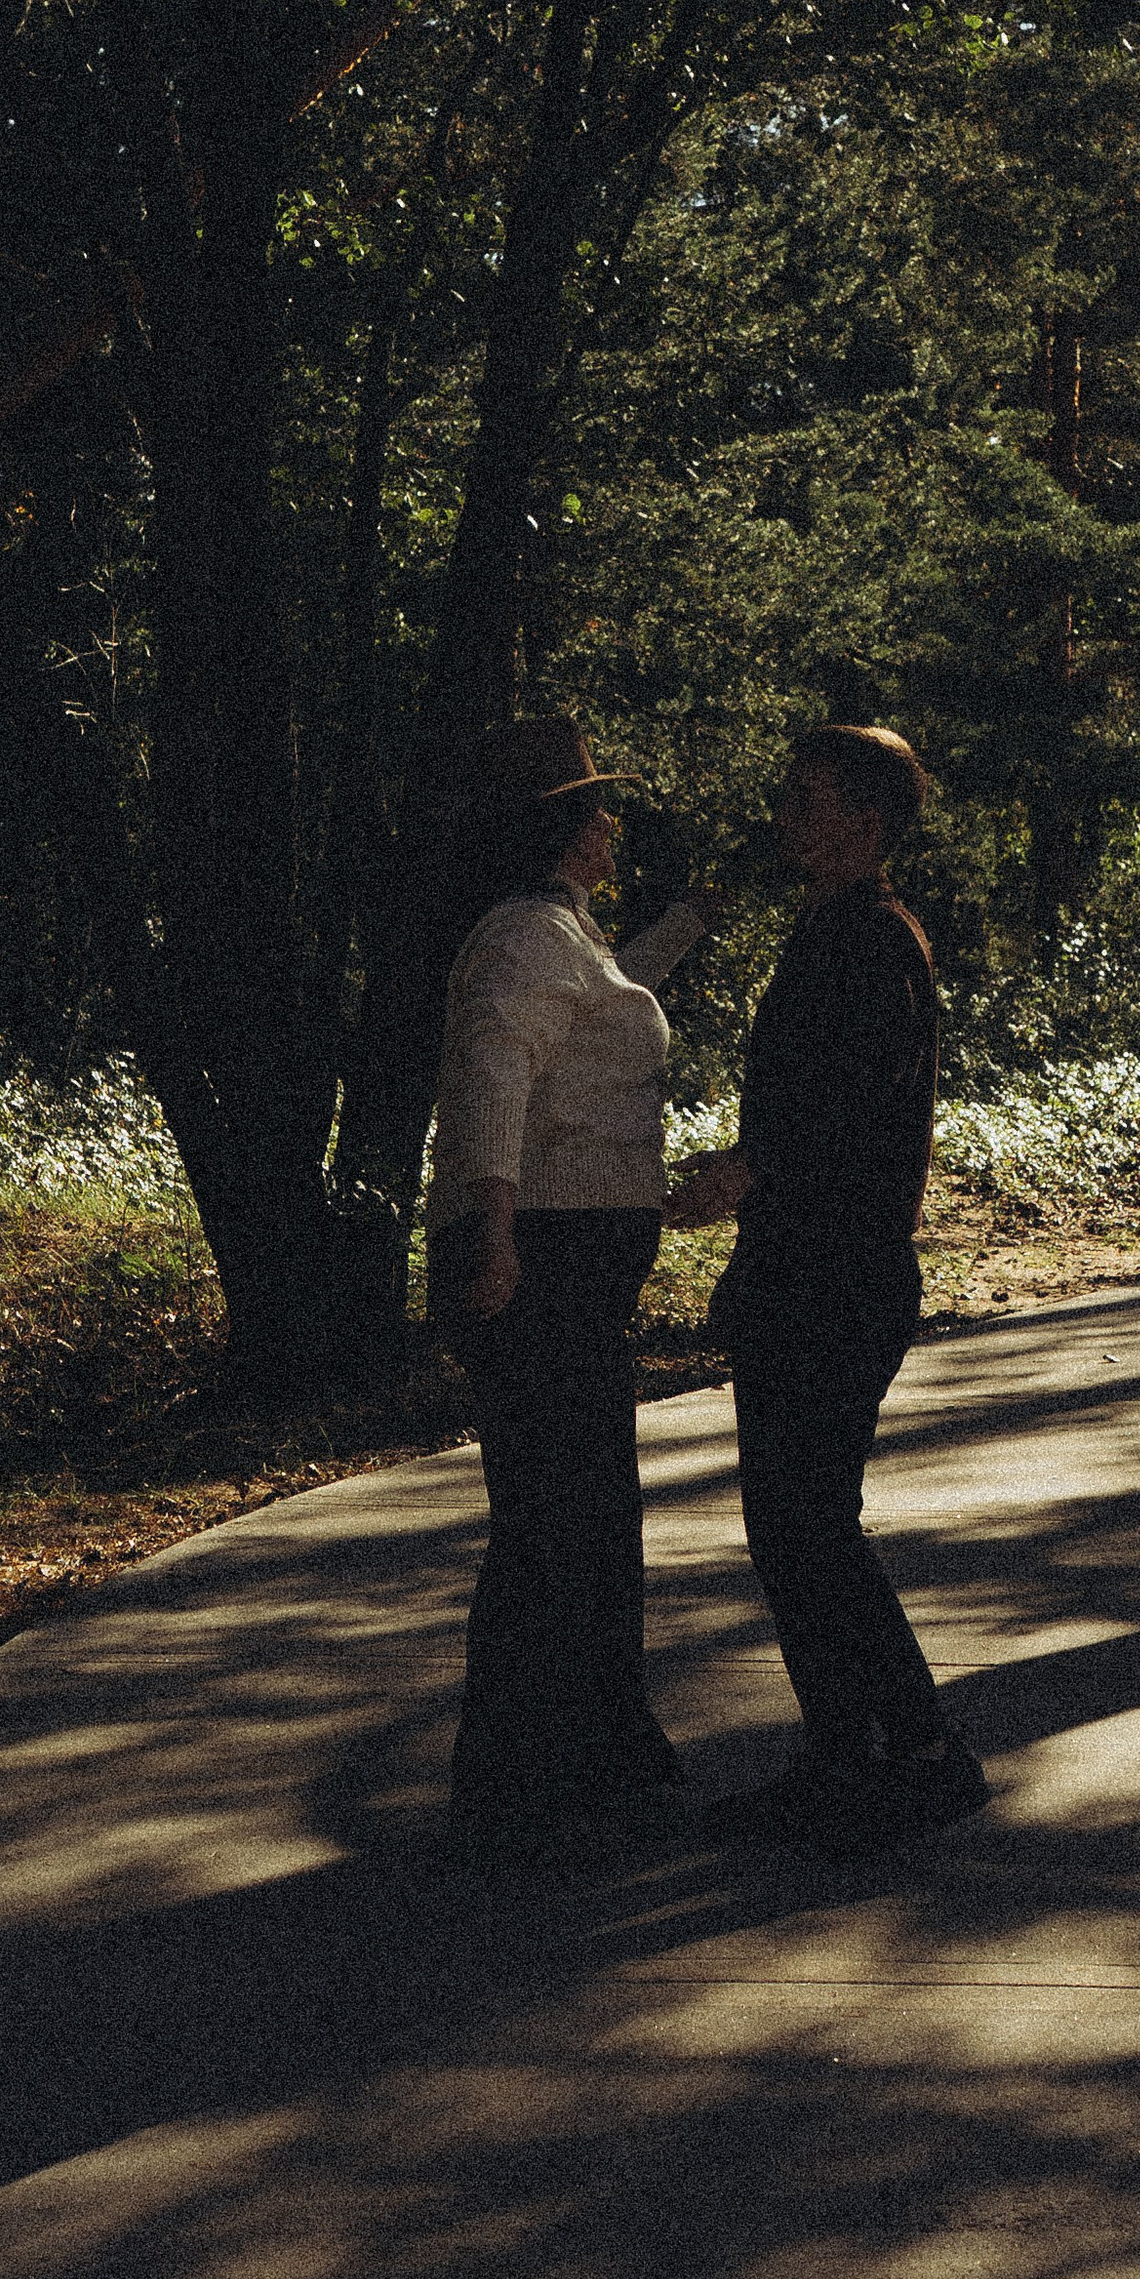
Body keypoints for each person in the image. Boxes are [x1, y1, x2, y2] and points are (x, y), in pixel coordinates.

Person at [666, 723, 987, 1858]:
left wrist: (746, 1173)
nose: (785, 816)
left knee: (807, 1524)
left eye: (805, 798)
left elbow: (847, 1102)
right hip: (809, 1264)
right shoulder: (841, 928)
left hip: (838, 1272)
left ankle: (918, 1751)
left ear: (863, 817)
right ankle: (853, 1750)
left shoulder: (869, 939)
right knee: (793, 1525)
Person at [426, 718, 710, 1849]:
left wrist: (689, 924)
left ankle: (584, 1746)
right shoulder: (519, 939)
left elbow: (601, 999)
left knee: (580, 1506)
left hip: (575, 1256)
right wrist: (494, 1238)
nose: (611, 822)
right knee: (555, 1511)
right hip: (543, 1253)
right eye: (593, 807)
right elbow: (494, 1085)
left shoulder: (558, 936)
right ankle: (522, 1769)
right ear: (551, 826)